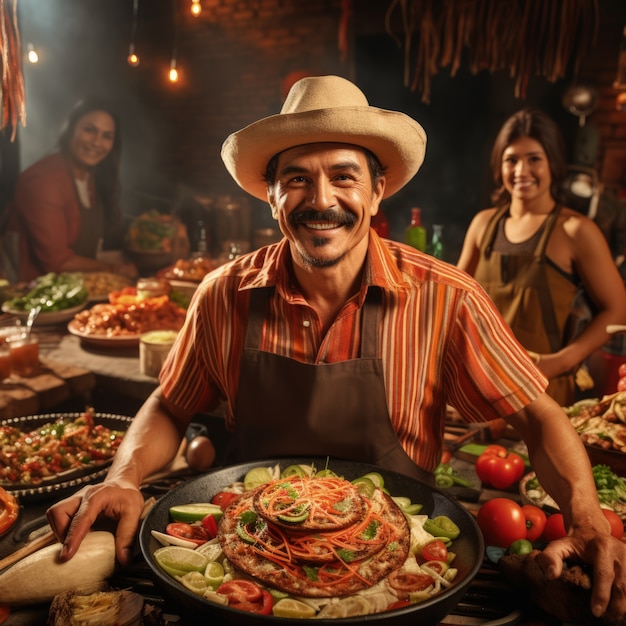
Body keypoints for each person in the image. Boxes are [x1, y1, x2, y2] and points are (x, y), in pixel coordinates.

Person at [47, 76, 625, 620]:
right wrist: (122, 477)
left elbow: (537, 413)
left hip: (392, 575)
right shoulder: (223, 295)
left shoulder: (447, 298)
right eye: (296, 178)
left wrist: (586, 516)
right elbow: (171, 404)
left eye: (344, 177)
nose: (321, 200)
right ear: (271, 196)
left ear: (378, 193)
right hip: (243, 572)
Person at [457, 108, 626, 406]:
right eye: (512, 160)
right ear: (500, 166)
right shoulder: (483, 225)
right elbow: (454, 302)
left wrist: (560, 361)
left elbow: (618, 309)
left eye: (534, 159)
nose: (521, 171)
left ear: (553, 164)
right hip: (479, 387)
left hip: (542, 393)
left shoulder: (575, 231)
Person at [6, 97, 137, 282]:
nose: (97, 142)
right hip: (35, 299)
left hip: (76, 291)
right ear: (70, 129)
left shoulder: (90, 176)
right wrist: (112, 269)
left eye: (107, 136)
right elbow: (57, 263)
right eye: (89, 130)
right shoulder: (43, 180)